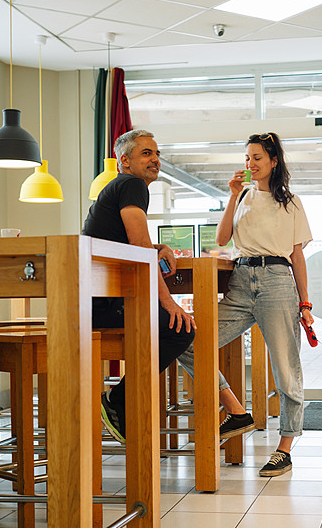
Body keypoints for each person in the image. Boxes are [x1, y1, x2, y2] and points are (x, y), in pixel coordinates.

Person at [82, 129, 253, 443]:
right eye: (146, 153)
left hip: (94, 301)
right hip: (104, 304)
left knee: (179, 328)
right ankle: (118, 400)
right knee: (180, 328)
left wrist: (160, 247)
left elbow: (136, 246)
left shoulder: (119, 188)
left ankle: (123, 401)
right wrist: (169, 302)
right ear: (124, 161)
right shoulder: (131, 185)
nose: (155, 160)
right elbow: (139, 250)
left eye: (156, 153)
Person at [193, 131, 313, 477]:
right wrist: (231, 197)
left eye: (258, 158)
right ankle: (236, 410)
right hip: (242, 281)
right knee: (193, 340)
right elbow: (220, 239)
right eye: (247, 158)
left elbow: (297, 256)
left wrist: (305, 303)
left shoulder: (290, 202)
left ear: (274, 161)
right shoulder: (242, 196)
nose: (251, 164)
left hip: (277, 281)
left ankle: (284, 448)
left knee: (286, 370)